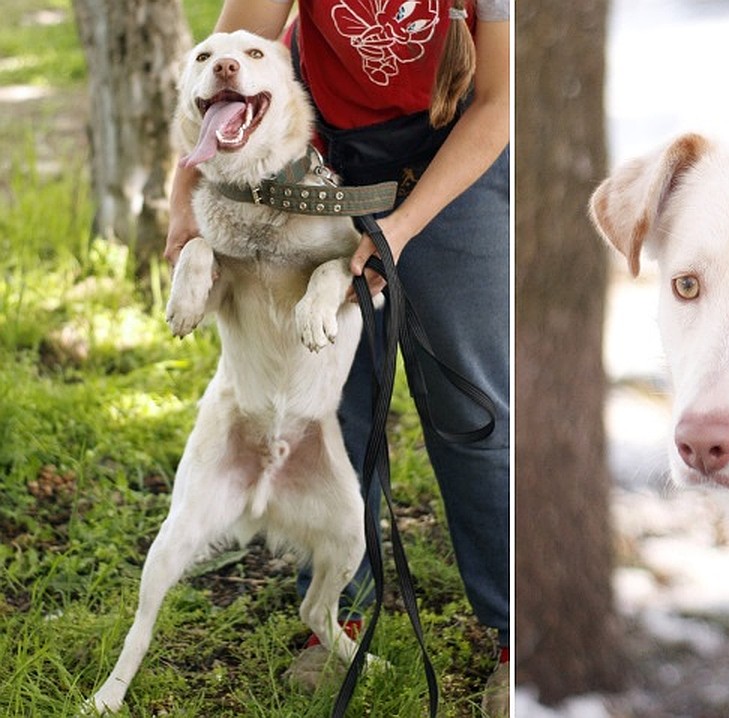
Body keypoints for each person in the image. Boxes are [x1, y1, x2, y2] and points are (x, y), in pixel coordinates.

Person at [164, 1, 510, 714]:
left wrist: (399, 229)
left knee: (470, 408)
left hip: (458, 145)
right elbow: (227, 68)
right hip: (326, 150)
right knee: (323, 399)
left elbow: (502, 102)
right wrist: (181, 202)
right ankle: (333, 620)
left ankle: (514, 634)